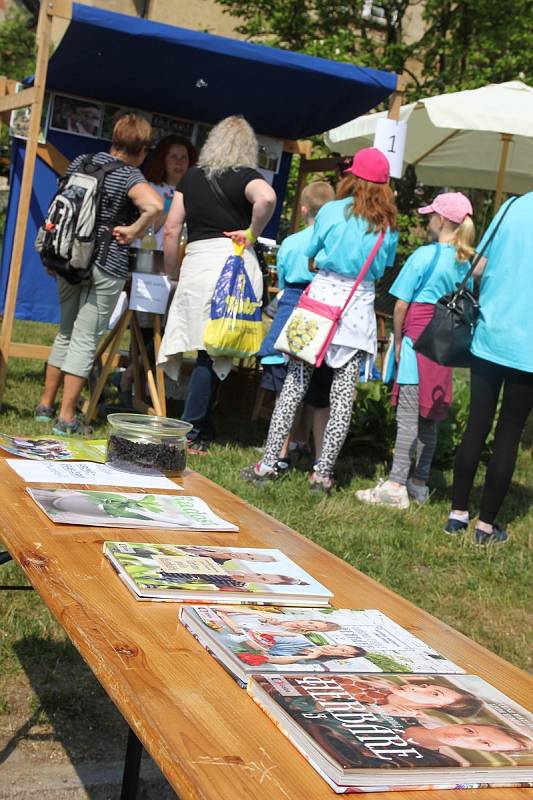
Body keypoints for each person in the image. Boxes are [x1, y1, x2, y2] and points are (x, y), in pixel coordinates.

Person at [242, 147, 398, 492]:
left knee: (294, 384)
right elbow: (381, 267)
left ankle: (268, 463)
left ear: (353, 177)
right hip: (357, 309)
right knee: (343, 395)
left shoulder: (331, 211)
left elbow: (312, 252)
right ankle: (323, 473)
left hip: (320, 301)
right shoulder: (387, 225)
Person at [35, 114, 163, 434]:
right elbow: (156, 206)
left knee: (65, 331)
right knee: (84, 339)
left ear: (115, 138)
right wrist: (133, 230)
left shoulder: (82, 161)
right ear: (142, 148)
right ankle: (67, 418)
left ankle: (45, 406)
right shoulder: (130, 176)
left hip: (67, 258)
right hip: (105, 265)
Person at [158, 115, 277, 453]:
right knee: (215, 349)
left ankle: (196, 423)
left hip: (196, 263)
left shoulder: (191, 178)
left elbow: (171, 228)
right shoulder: (246, 177)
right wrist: (253, 234)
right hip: (233, 264)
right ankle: (194, 429)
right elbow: (266, 198)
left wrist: (173, 273)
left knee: (200, 345)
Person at [357, 193, 475, 509]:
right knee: (429, 421)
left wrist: (397, 342)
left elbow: (400, 305)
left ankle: (395, 485)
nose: (427, 221)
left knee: (407, 418)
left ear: (441, 220)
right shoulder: (466, 263)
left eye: (430, 215)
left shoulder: (424, 256)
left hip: (415, 344)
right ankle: (419, 483)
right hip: (443, 350)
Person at [445, 193, 533, 546]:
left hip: (490, 334)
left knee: (476, 425)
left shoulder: (513, 207)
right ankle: (486, 526)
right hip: (527, 349)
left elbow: (477, 265)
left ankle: (457, 514)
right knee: (509, 433)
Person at [257, 180, 335, 472]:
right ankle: (305, 445)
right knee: (315, 386)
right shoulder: (331, 244)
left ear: (303, 209)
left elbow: (285, 276)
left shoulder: (291, 243)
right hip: (322, 311)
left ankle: (280, 449)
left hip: (291, 307)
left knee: (285, 388)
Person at [141, 134, 198, 250]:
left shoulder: (195, 193)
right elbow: (146, 231)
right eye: (173, 157)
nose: (179, 162)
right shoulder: (149, 188)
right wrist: (168, 205)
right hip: (149, 255)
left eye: (183, 158)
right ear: (163, 160)